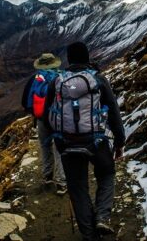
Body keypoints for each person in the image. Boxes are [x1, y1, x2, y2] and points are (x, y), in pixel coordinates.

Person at [44, 42, 125, 240]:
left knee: (77, 188)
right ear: (87, 58)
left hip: (67, 142)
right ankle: (102, 216)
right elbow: (114, 112)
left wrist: (58, 141)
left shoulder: (57, 82)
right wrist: (120, 141)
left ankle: (90, 236)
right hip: (95, 141)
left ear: (69, 60)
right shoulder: (98, 79)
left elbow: (47, 115)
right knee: (106, 173)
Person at [21, 53, 67, 195]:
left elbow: (25, 101)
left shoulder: (35, 79)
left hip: (42, 120)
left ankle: (47, 176)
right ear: (55, 64)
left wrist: (36, 114)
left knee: (45, 146)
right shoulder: (63, 77)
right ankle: (61, 182)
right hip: (59, 119)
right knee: (59, 148)